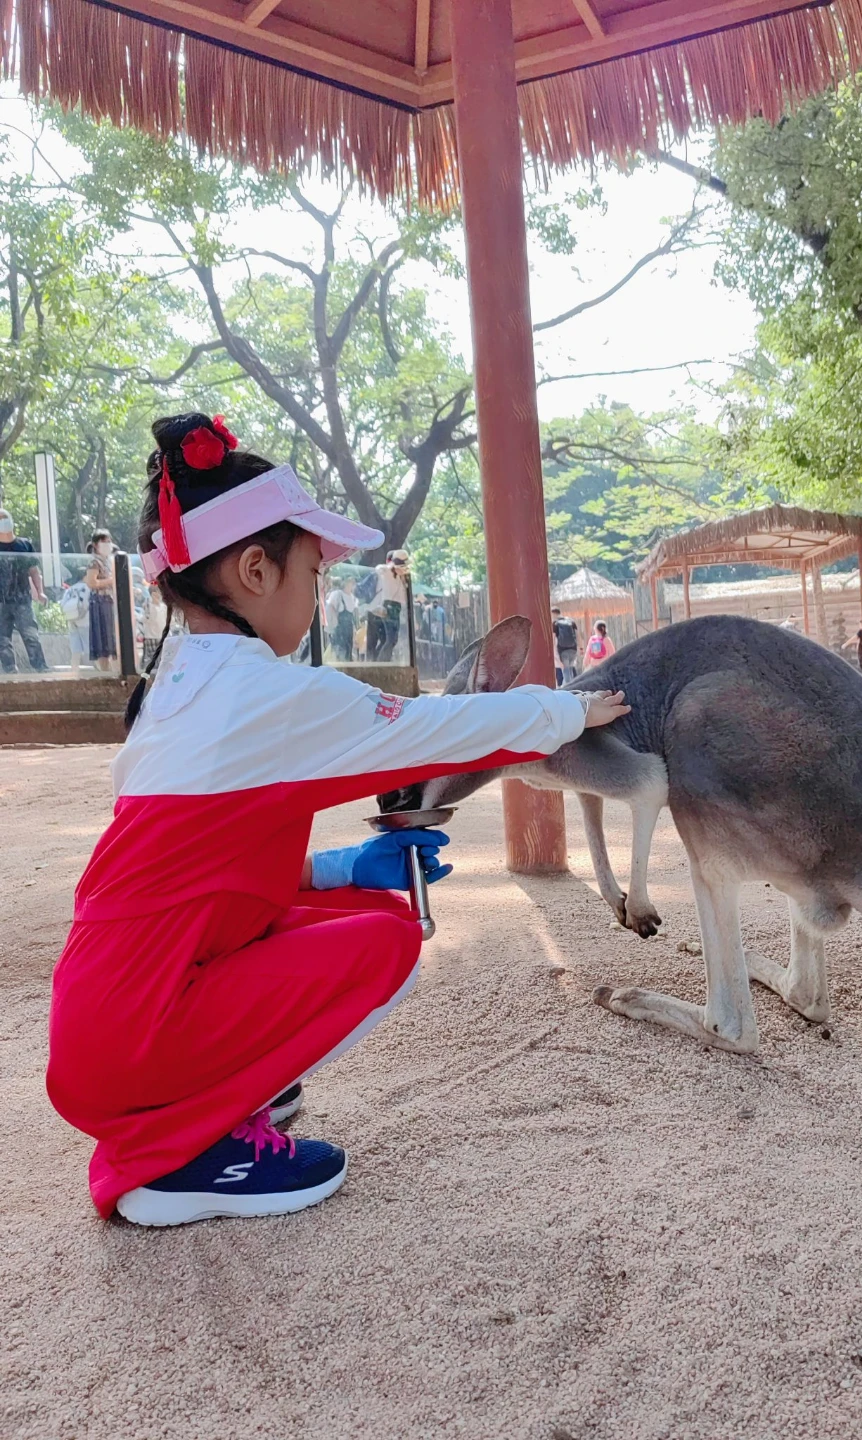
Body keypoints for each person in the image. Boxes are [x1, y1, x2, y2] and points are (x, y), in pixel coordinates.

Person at [46, 410, 630, 1228]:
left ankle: (215, 1092)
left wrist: (341, 868)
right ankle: (180, 1157)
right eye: (314, 573)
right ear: (255, 569)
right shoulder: (269, 692)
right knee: (384, 947)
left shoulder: (173, 687)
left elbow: (197, 874)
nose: (319, 594)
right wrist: (568, 711)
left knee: (364, 905)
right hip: (138, 1035)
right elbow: (440, 729)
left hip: (104, 1020)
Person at [0, 506, 49, 674]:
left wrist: (40, 591)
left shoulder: (24, 544)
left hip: (22, 600)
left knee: (31, 635)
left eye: (4, 517)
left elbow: (34, 571)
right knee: (2, 638)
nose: (2, 521)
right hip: (1, 602)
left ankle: (40, 667)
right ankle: (10, 669)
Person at [366, 549, 409, 662]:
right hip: (388, 606)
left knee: (393, 640)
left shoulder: (401, 578)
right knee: (390, 639)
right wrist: (392, 566)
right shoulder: (387, 572)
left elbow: (403, 597)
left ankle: (379, 660)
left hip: (397, 607)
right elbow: (378, 568)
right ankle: (381, 662)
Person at [85, 529, 118, 672]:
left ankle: (109, 669)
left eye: (109, 541)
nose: (107, 544)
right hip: (99, 602)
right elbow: (92, 583)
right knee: (102, 640)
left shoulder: (109, 561)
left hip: (109, 601)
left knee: (110, 639)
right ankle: (104, 670)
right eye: (103, 542)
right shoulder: (94, 562)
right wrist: (111, 581)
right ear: (95, 544)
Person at [60, 566, 93, 672]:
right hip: (85, 621)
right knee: (90, 649)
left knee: (76, 650)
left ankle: (74, 670)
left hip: (72, 622)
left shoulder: (70, 589)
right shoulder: (87, 588)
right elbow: (88, 604)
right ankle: (97, 672)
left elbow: (62, 604)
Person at [325, 574, 359, 661]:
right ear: (344, 583)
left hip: (349, 628)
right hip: (339, 627)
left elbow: (354, 615)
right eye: (349, 582)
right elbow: (329, 608)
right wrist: (331, 625)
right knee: (339, 650)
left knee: (348, 649)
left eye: (352, 583)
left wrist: (356, 630)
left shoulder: (353, 598)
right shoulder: (337, 594)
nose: (351, 585)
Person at [552, 607, 580, 681]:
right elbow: (577, 635)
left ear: (553, 614)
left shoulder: (555, 623)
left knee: (566, 671)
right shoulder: (571, 621)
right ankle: (573, 686)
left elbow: (553, 639)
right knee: (570, 670)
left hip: (563, 650)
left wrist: (554, 653)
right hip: (573, 649)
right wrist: (579, 648)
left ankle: (569, 689)